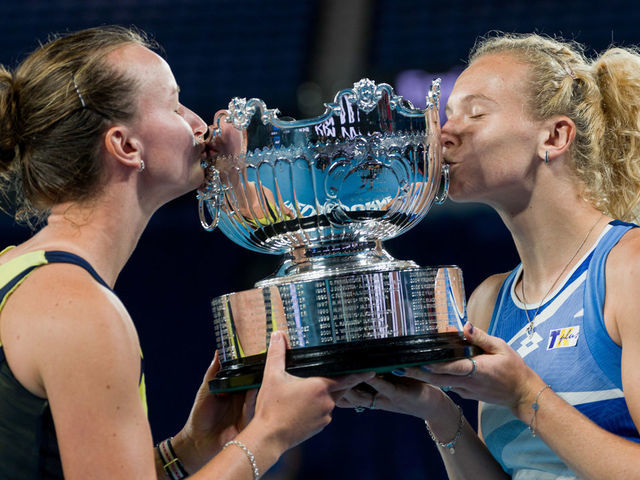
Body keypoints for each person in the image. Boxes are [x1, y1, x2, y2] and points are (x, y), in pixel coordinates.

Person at [0, 26, 373, 479]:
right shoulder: (81, 311)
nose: (200, 123)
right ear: (125, 145)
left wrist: (189, 449)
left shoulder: (17, 269)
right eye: (175, 105)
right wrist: (269, 435)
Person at [340, 32, 640, 479]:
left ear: (555, 136)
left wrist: (526, 397)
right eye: (448, 115)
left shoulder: (628, 269)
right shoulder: (489, 302)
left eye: (475, 113)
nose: (445, 133)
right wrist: (438, 412)